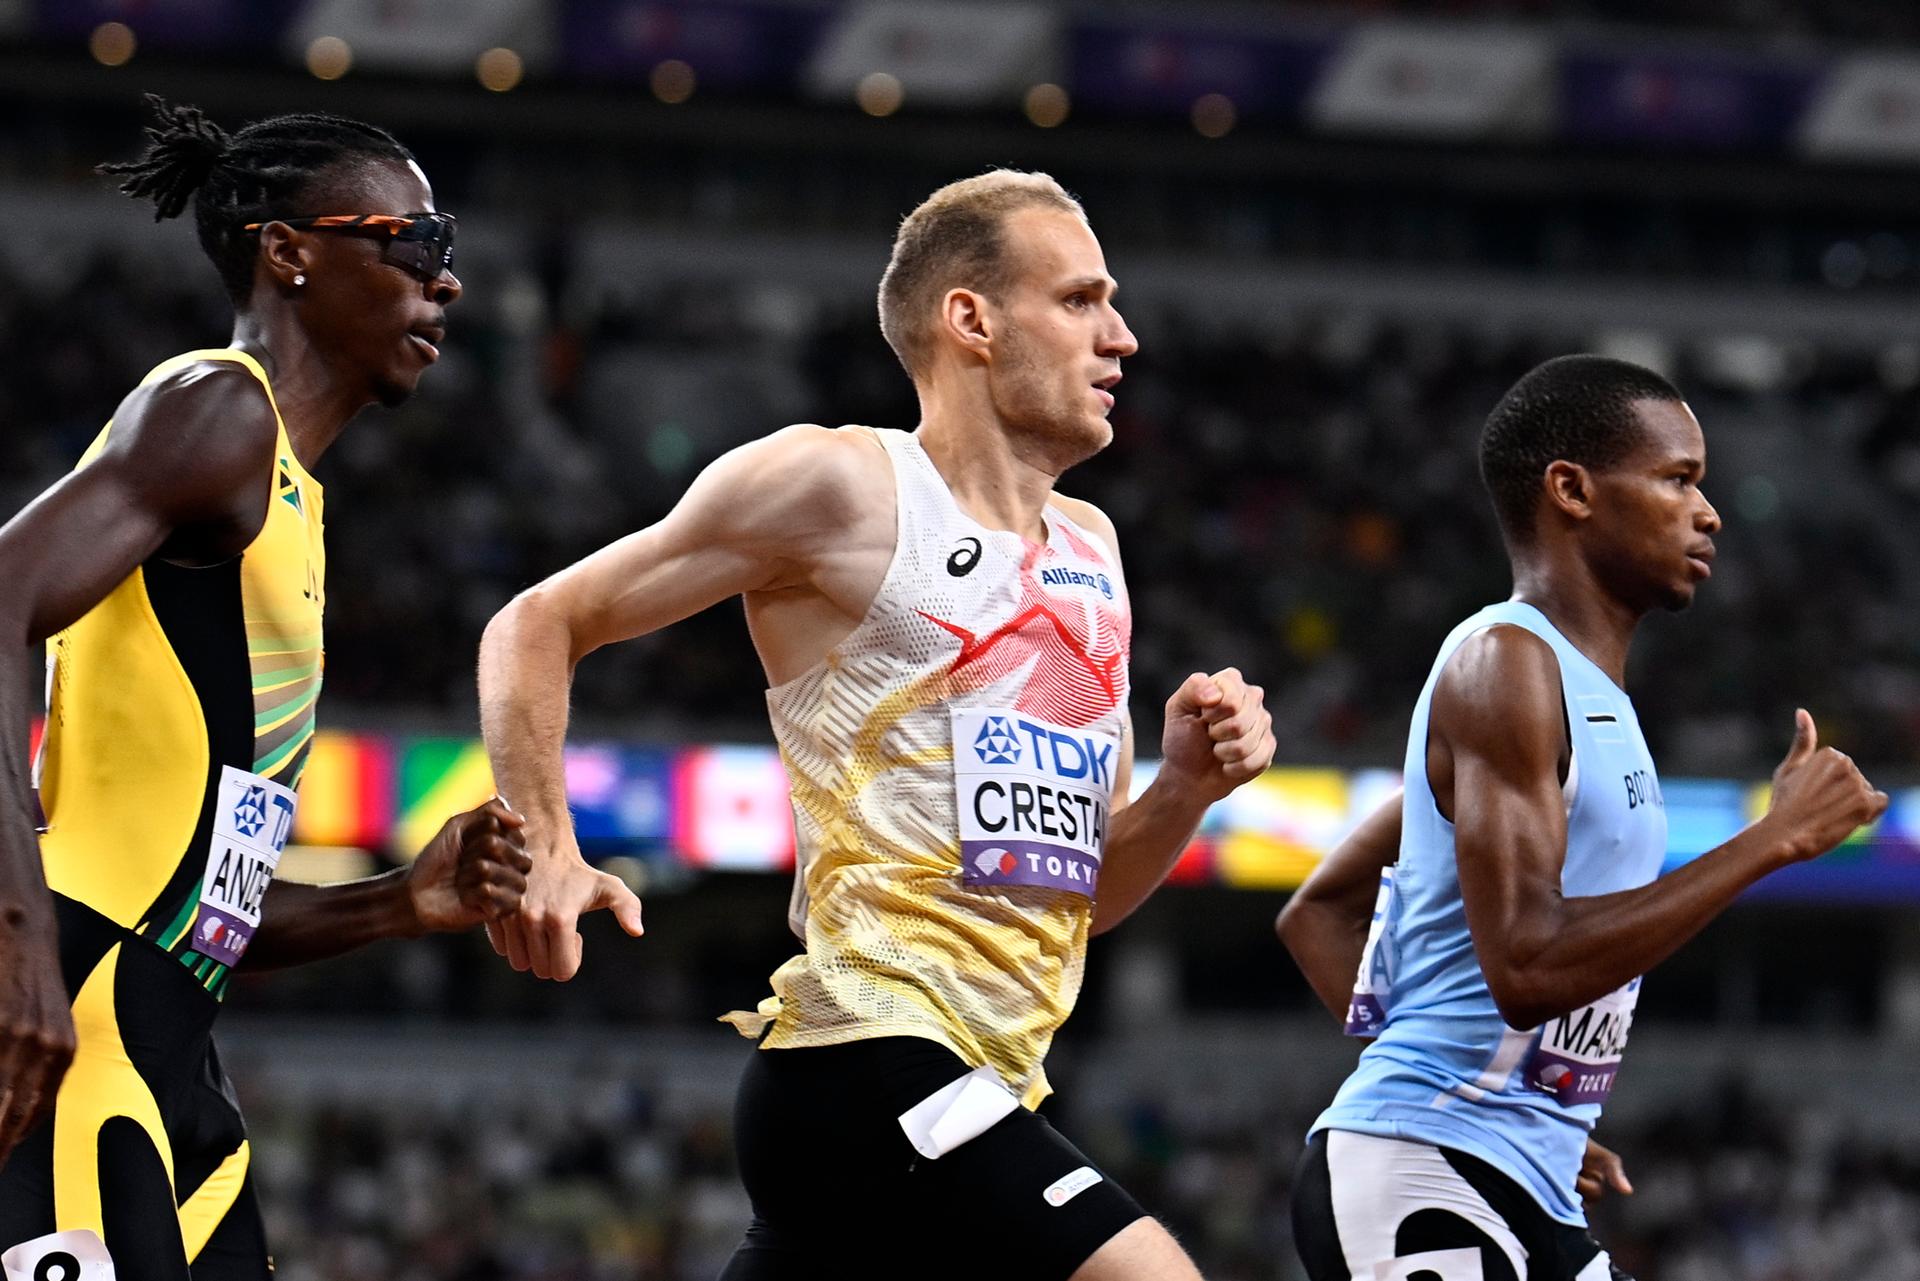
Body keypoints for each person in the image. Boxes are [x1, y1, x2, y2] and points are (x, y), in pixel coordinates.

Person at [478, 169, 1277, 1280]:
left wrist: (1186, 789)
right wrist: (547, 843)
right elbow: (536, 623)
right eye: (1083, 301)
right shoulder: (843, 487)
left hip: (979, 1088)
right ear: (972, 321)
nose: (1123, 337)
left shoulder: (1093, 551)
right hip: (869, 1058)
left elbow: (1081, 901)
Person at [0, 97, 532, 1277]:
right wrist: (18, 947)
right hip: (80, 1026)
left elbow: (189, 903)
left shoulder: (292, 497)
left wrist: (395, 903)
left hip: (174, 1053)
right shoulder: (216, 408)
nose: (445, 283)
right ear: (287, 251)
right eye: (415, 243)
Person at [1278, 355, 1888, 1281]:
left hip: (1525, 1175)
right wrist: (1771, 840)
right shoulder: (1504, 666)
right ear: (1572, 490)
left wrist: (1511, 1098)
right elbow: (1527, 965)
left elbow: (1316, 912)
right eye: (1678, 478)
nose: (1709, 510)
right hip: (1422, 1171)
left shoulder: (1584, 695)